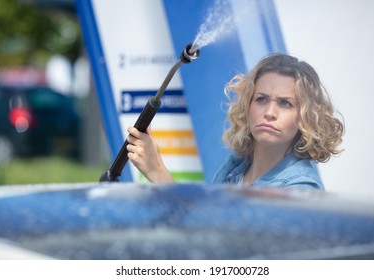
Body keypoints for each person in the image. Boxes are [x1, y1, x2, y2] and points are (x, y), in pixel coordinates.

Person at [126, 53, 344, 190]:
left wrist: (158, 171)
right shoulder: (235, 167)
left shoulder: (301, 188)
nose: (269, 112)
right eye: (261, 99)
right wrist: (156, 170)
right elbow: (206, 230)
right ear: (248, 106)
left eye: (285, 103)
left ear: (305, 117)